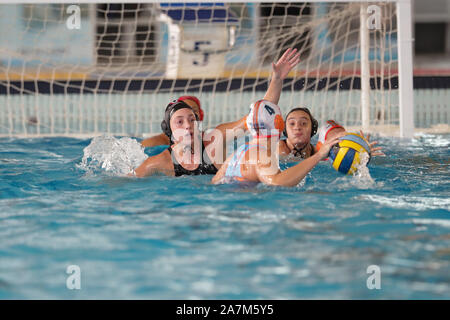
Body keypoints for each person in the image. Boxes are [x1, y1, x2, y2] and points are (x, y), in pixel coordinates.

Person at [132, 48, 302, 178]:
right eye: (180, 122)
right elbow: (125, 182)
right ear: (169, 130)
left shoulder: (215, 139)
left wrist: (277, 79)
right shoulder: (160, 162)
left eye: (192, 119)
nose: (188, 126)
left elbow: (259, 115)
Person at [211, 100, 344, 187]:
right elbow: (278, 183)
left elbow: (214, 183)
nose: (297, 127)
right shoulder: (262, 154)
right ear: (280, 125)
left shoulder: (237, 153)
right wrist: (319, 156)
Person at [279, 109, 385, 161]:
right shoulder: (278, 148)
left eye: (304, 123)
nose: (297, 127)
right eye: (292, 124)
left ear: (312, 130)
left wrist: (362, 152)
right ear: (285, 130)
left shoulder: (318, 153)